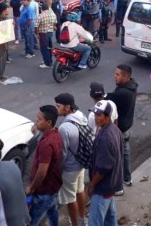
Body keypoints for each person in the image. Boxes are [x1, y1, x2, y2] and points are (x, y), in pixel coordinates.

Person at [54, 93, 89, 226]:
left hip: (69, 168)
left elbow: (62, 153)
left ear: (67, 107)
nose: (56, 109)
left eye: (58, 106)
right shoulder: (80, 115)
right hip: (81, 163)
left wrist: (58, 170)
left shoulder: (64, 128)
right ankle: (82, 218)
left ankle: (74, 224)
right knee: (80, 190)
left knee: (70, 199)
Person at [26, 105, 63, 226]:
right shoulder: (56, 134)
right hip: (52, 188)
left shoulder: (47, 143)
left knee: (32, 221)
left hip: (43, 191)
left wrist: (31, 188)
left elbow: (42, 172)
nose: (36, 121)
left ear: (49, 122)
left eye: (39, 119)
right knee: (52, 211)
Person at [88, 100, 123, 226]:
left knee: (95, 222)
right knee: (110, 219)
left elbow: (104, 168)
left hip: (103, 188)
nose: (96, 118)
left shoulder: (105, 138)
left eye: (99, 115)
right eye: (95, 114)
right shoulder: (114, 129)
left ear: (107, 117)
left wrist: (92, 184)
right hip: (112, 184)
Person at [106, 64, 138, 193]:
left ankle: (118, 187)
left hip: (121, 128)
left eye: (117, 74)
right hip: (127, 125)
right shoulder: (132, 85)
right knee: (125, 153)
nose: (115, 76)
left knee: (117, 157)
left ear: (126, 77)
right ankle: (127, 178)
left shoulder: (122, 93)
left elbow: (108, 99)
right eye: (115, 73)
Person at [36, 1, 57, 69]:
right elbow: (55, 23)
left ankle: (47, 63)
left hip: (43, 33)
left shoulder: (41, 15)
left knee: (44, 48)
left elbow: (36, 26)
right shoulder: (53, 14)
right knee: (49, 48)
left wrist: (37, 34)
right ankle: (49, 61)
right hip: (50, 33)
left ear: (42, 9)